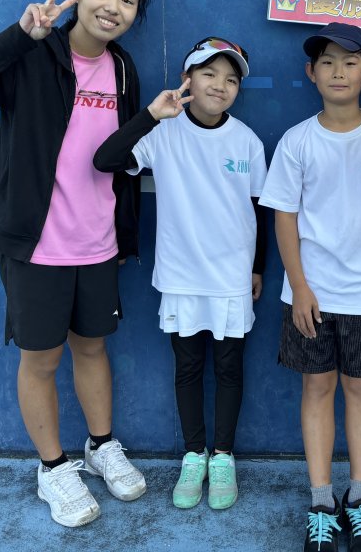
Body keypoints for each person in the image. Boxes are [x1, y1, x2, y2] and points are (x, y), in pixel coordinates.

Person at [0, 0, 150, 527]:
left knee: (93, 347)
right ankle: (53, 467)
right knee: (42, 358)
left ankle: (101, 446)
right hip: (37, 243)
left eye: (128, 0)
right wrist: (19, 35)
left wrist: (123, 229)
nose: (114, 7)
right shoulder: (32, 53)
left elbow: (118, 154)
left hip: (98, 241)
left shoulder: (123, 69)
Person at [94, 37, 266, 511]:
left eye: (231, 79)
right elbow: (106, 159)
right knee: (187, 367)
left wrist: (257, 267)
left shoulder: (247, 141)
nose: (220, 85)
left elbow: (260, 210)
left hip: (232, 277)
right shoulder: (162, 132)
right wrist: (151, 115)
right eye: (209, 74)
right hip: (181, 275)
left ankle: (223, 456)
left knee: (229, 368)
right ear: (188, 79)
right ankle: (194, 456)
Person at [259, 22, 361, 552]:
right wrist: (299, 287)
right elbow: (283, 217)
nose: (338, 71)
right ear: (311, 73)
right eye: (327, 62)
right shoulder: (297, 140)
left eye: (350, 62)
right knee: (317, 389)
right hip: (312, 295)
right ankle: (322, 503)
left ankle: (360, 499)